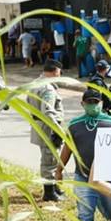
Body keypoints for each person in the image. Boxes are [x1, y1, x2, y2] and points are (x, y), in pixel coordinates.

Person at [56, 90, 111, 221]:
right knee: (85, 213)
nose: (93, 105)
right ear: (83, 104)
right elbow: (67, 149)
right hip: (83, 176)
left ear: (101, 103)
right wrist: (59, 170)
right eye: (89, 102)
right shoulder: (75, 125)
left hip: (108, 177)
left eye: (96, 102)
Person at [30, 60, 66, 202]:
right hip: (48, 128)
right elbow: (48, 113)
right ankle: (49, 192)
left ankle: (54, 187)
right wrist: (57, 131)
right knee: (49, 160)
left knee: (51, 158)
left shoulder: (35, 83)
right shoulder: (48, 89)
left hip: (39, 125)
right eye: (59, 72)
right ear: (55, 71)